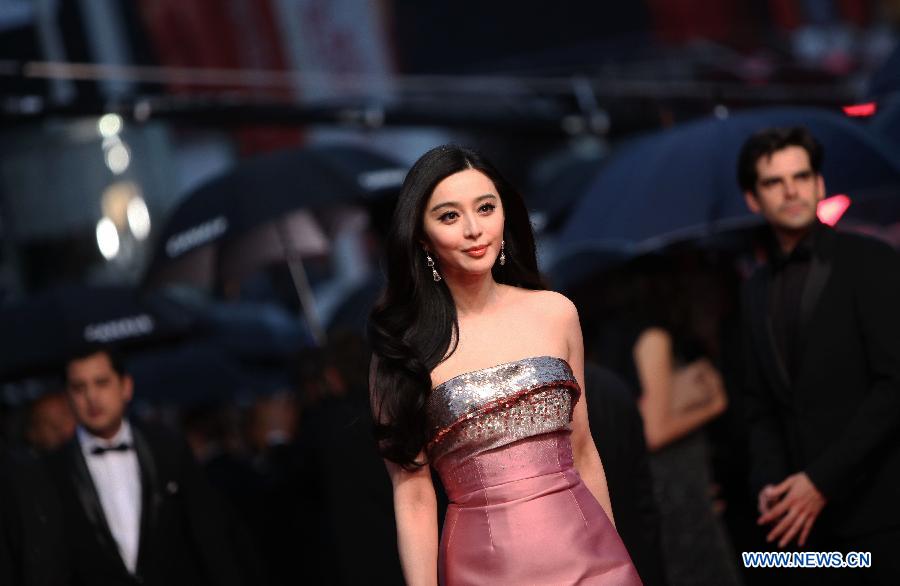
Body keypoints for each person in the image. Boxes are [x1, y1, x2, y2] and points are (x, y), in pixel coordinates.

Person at [368, 145, 640, 585]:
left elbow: (584, 450)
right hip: (485, 567)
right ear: (422, 237)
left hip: (593, 555)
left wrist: (615, 550)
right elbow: (414, 494)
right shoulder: (404, 349)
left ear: (505, 215)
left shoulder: (555, 312)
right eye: (449, 216)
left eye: (486, 208)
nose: (475, 229)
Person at [738, 126, 900, 584]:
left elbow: (894, 385)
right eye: (774, 182)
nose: (792, 190)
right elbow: (760, 405)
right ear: (753, 199)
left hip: (880, 512)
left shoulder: (871, 260)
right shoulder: (754, 289)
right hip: (800, 529)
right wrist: (768, 483)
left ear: (820, 184)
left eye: (802, 176)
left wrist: (823, 480)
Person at [46, 346, 250, 586]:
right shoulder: (52, 470)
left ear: (126, 386)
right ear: (67, 397)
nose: (92, 397)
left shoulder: (167, 448)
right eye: (79, 388)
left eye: (101, 383)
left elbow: (208, 536)